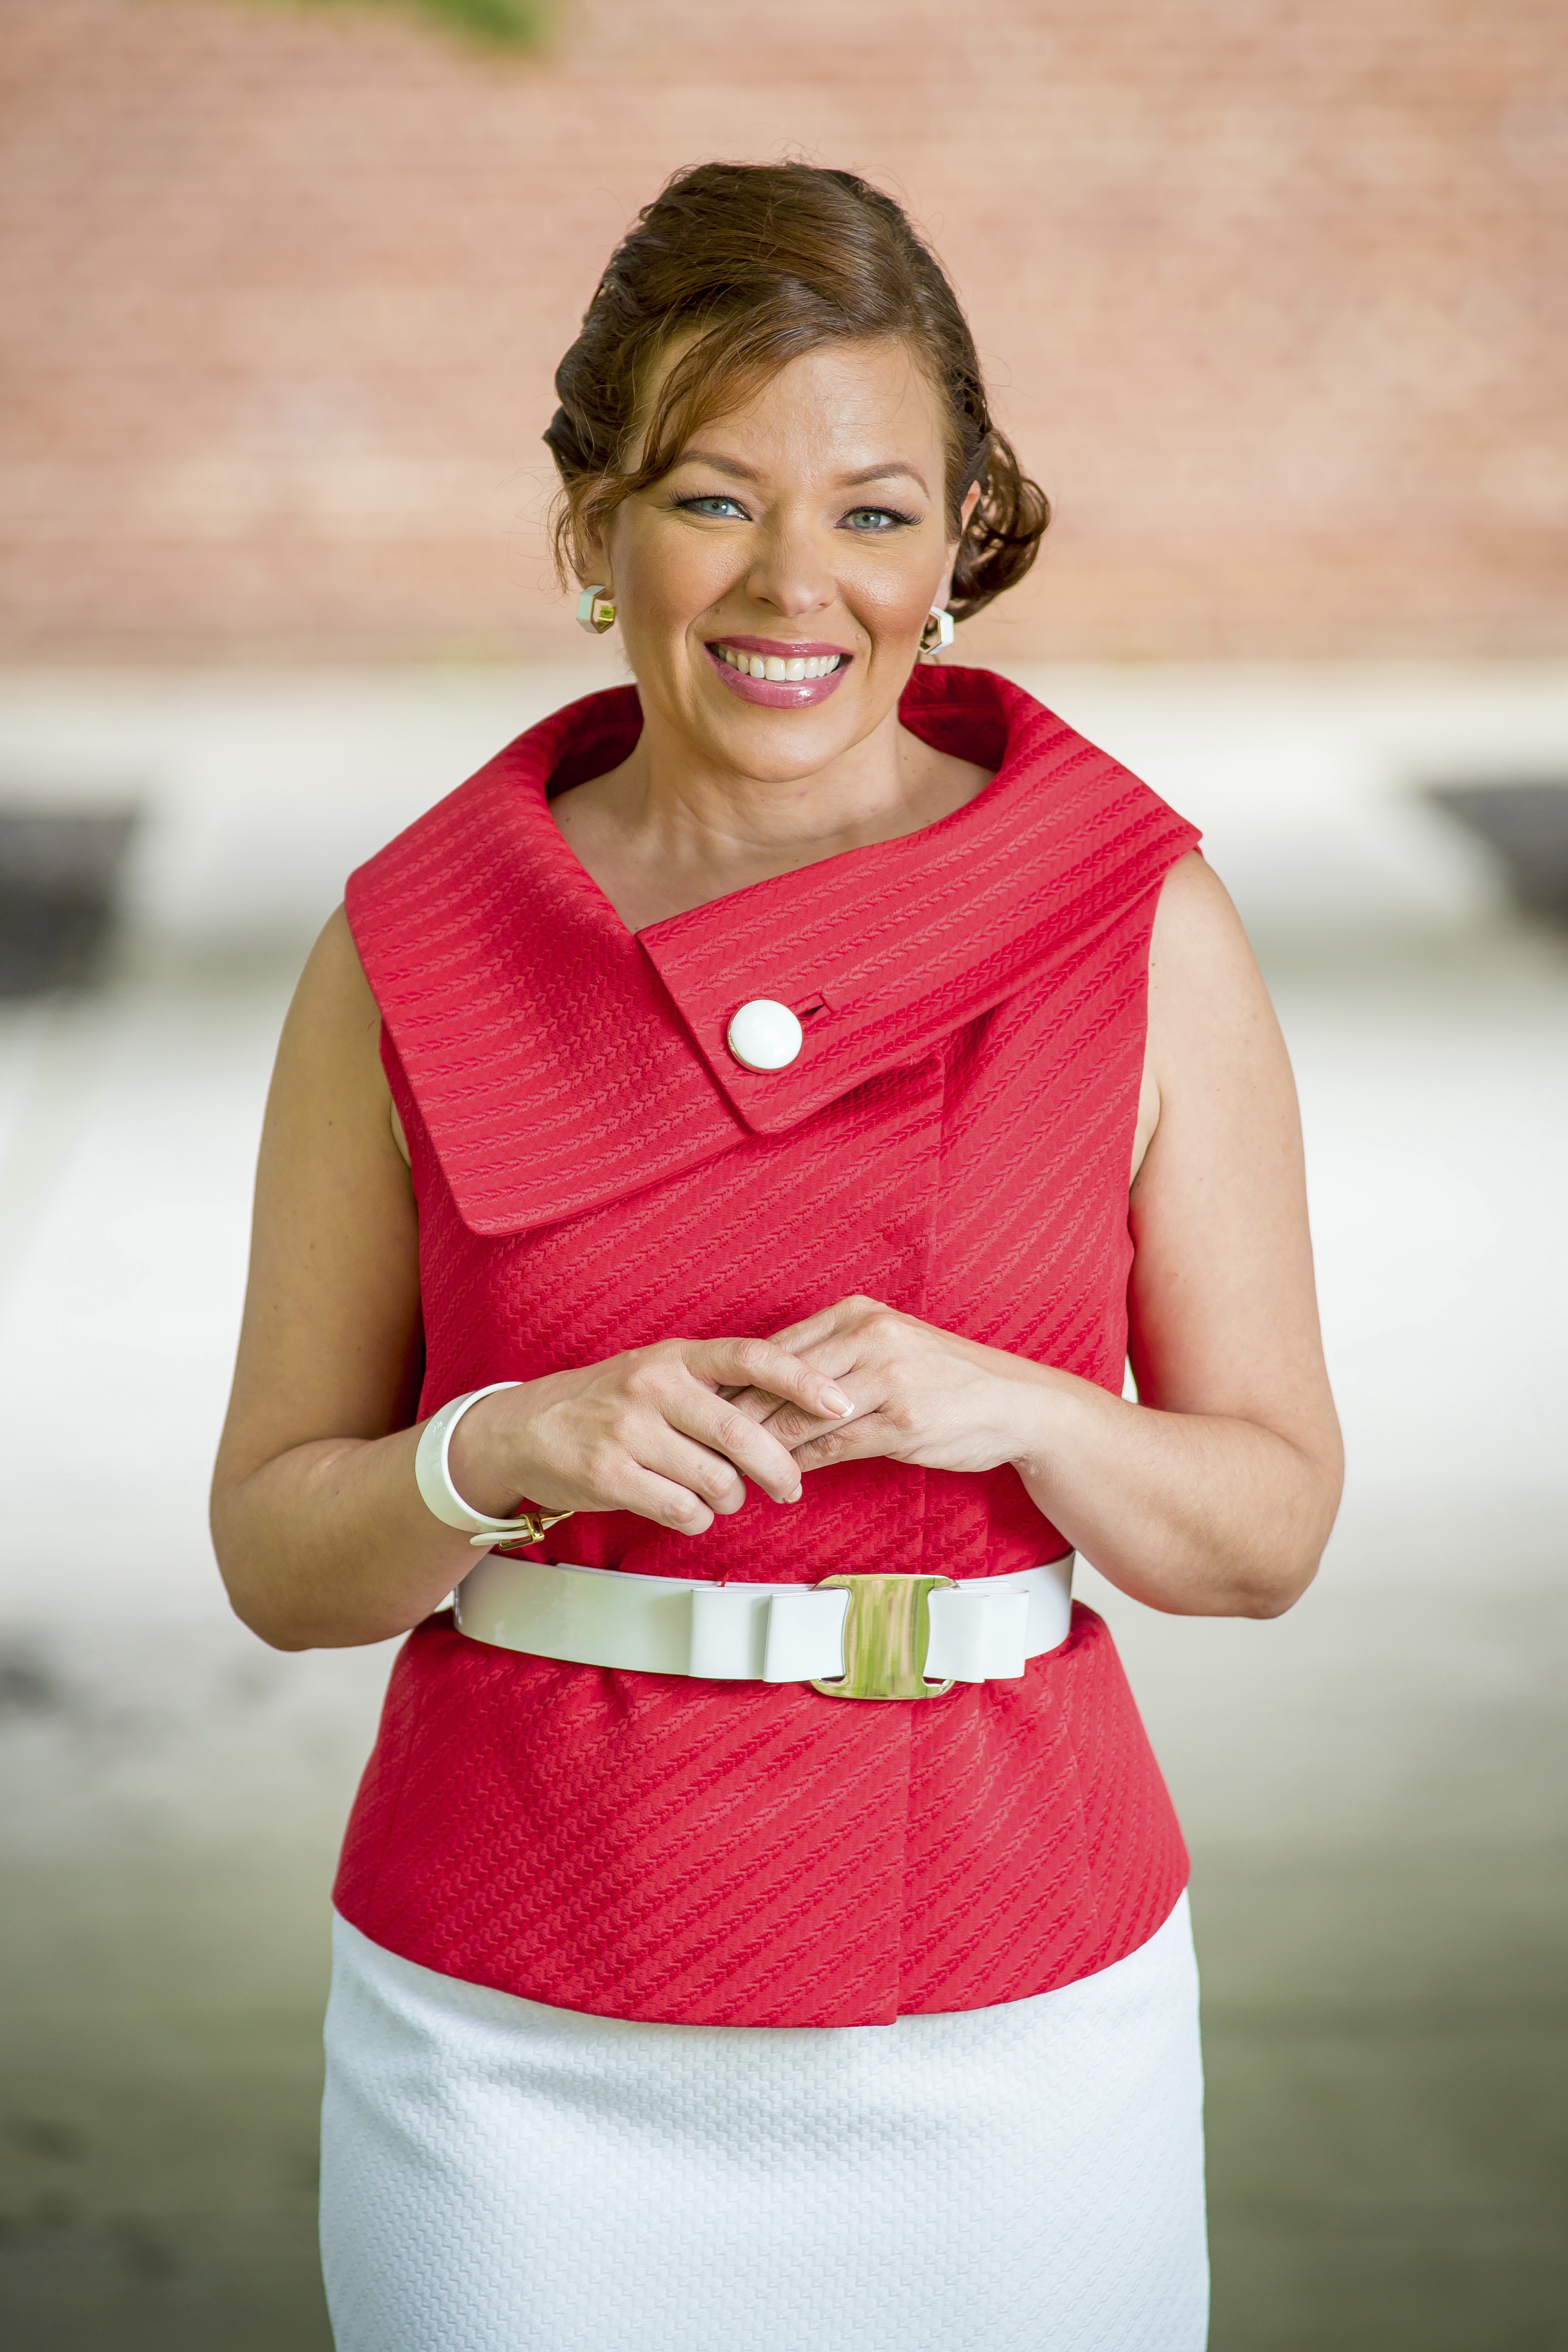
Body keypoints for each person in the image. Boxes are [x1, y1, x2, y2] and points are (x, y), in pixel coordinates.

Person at [211, 161, 1342, 2352]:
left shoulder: (1130, 922)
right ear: (591, 527)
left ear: (959, 537)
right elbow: (276, 1555)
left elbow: (1266, 1528)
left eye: (873, 510)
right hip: (513, 2024)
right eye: (711, 499)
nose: (793, 584)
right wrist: (488, 1450)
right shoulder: (409, 948)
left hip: (1012, 2015)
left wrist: (1014, 1407)